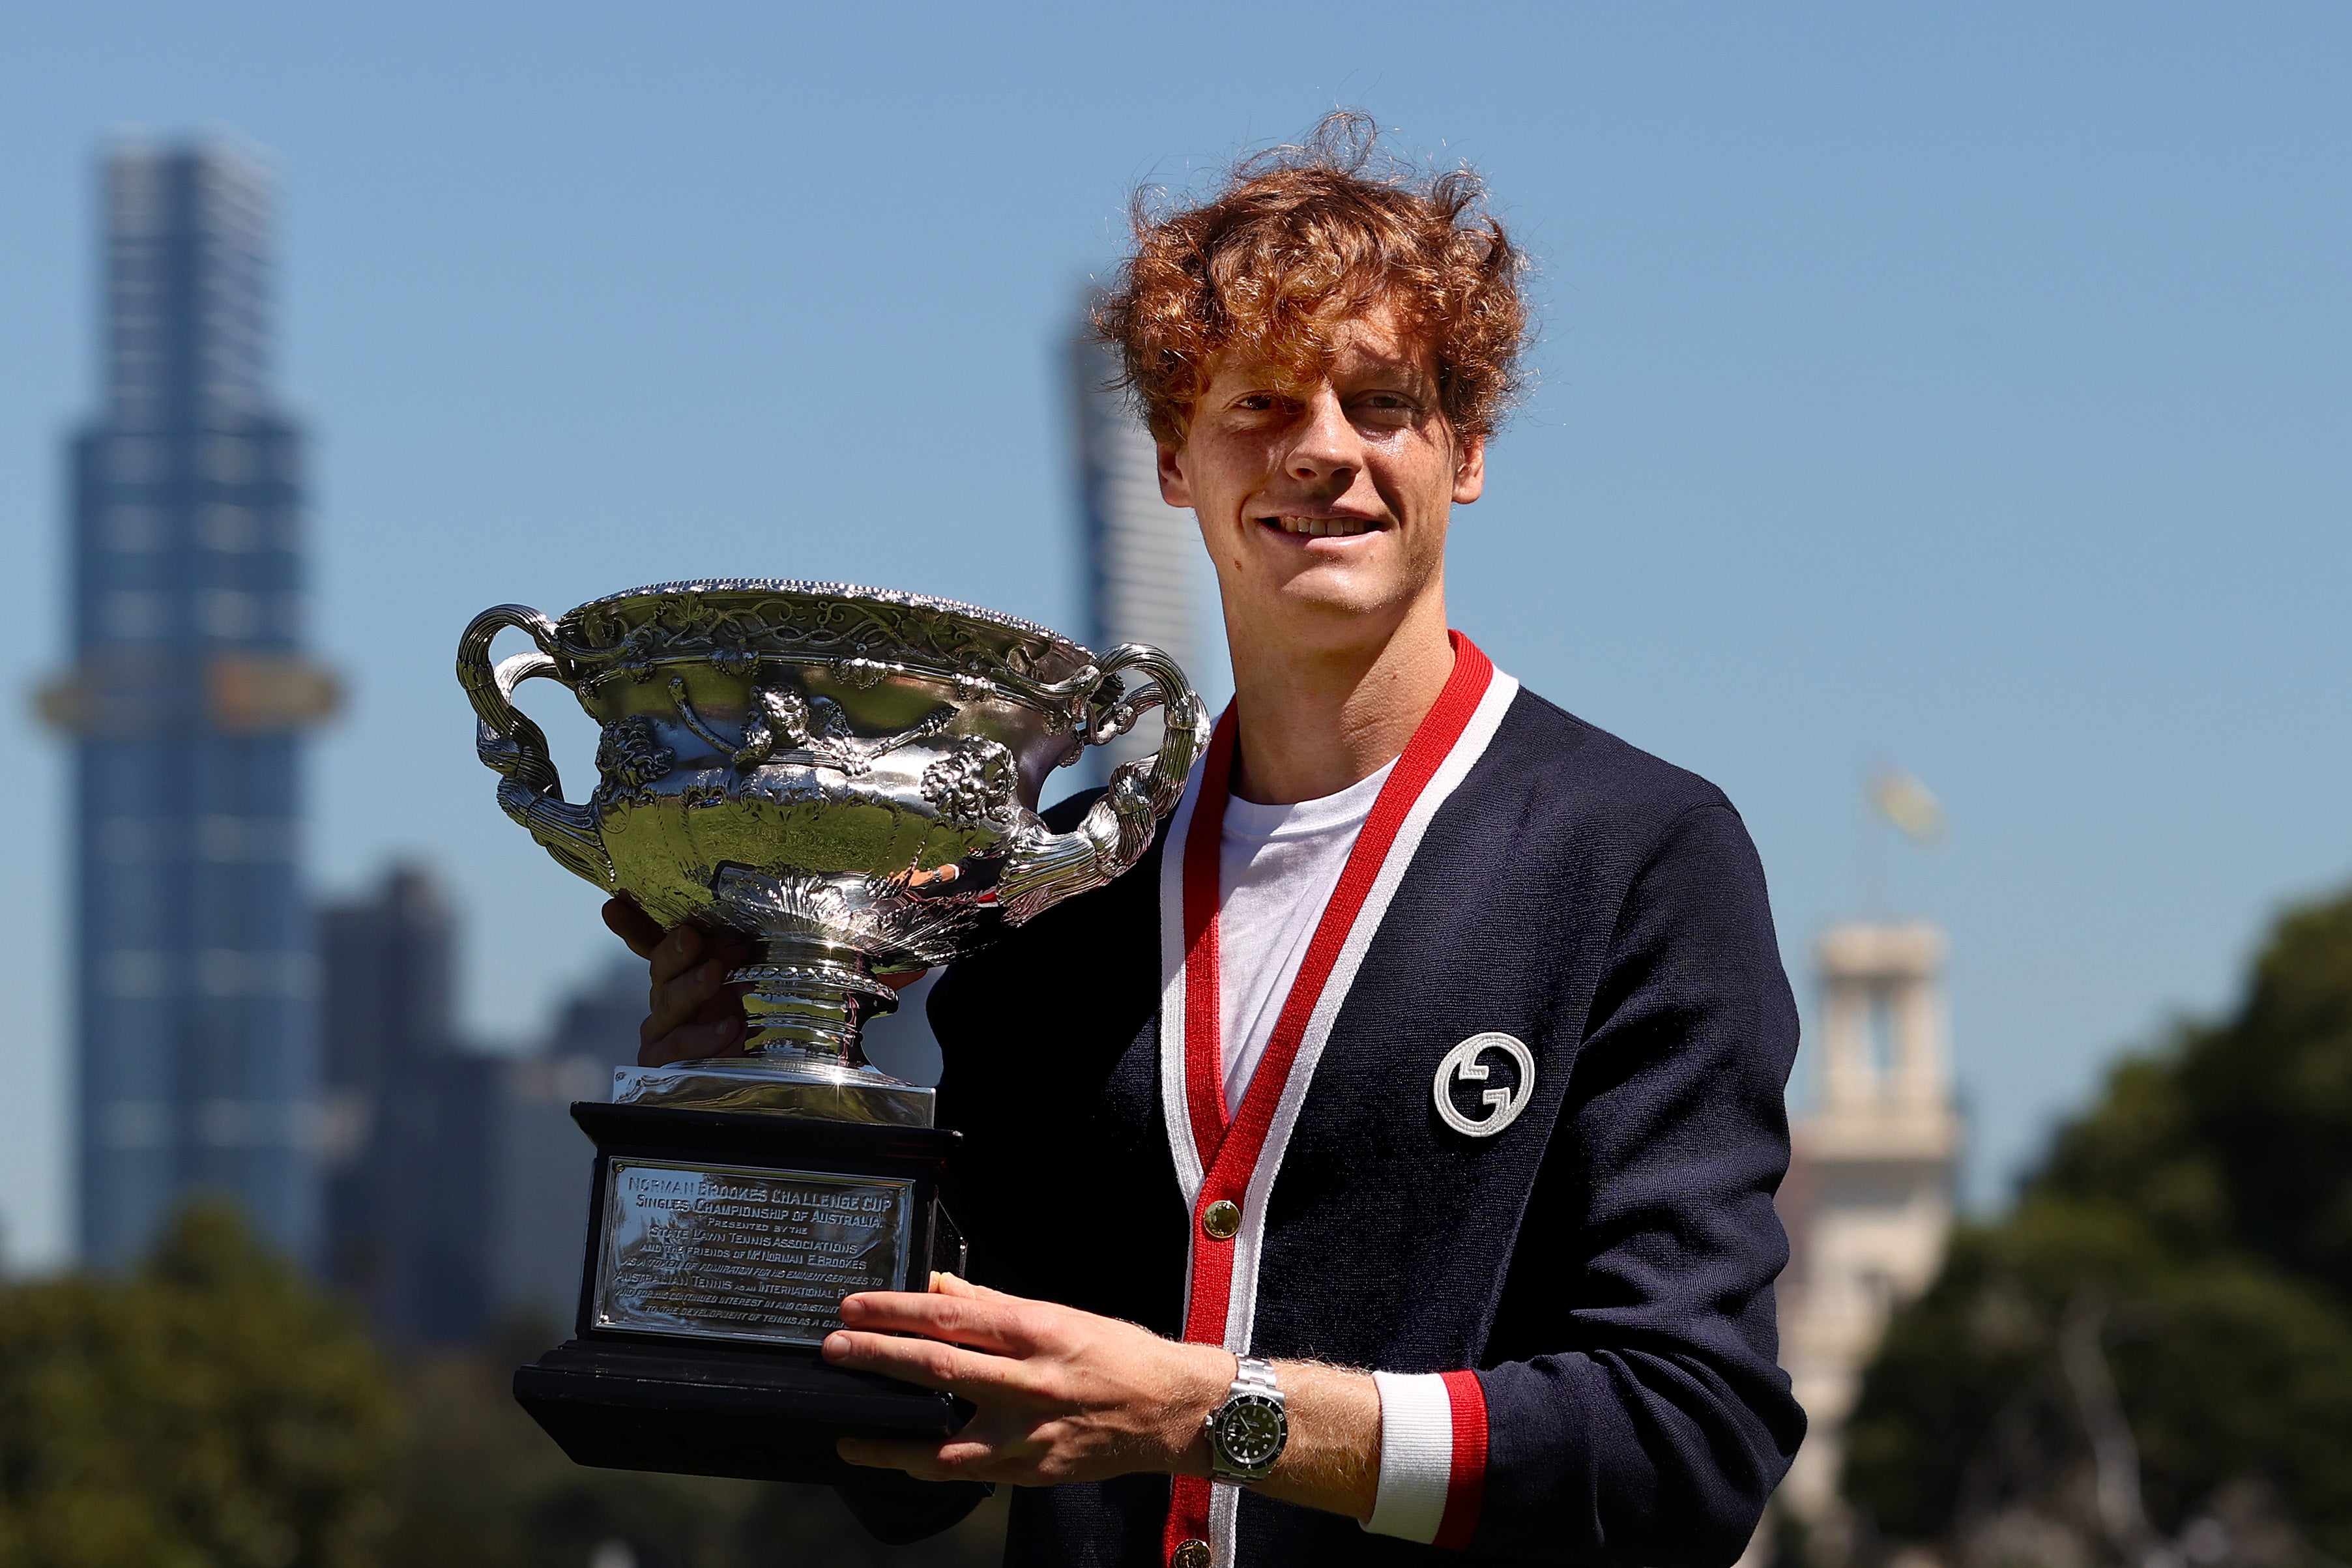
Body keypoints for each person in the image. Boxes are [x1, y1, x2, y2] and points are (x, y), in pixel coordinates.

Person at [608, 115, 1805, 1567]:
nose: (1323, 452)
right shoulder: (1046, 896)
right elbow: (905, 1465)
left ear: (1466, 449)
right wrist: (755, 1127)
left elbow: (1685, 1451)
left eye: (1381, 403)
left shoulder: (1634, 859)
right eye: (1256, 405)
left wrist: (1210, 1416)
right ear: (1175, 457)